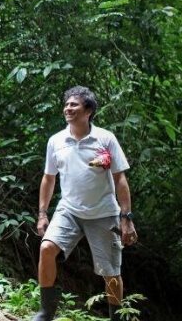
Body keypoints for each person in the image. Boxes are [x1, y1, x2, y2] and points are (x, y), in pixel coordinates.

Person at [33, 86, 138, 321]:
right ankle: (45, 312)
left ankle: (116, 318)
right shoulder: (56, 141)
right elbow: (49, 178)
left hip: (103, 213)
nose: (68, 108)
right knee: (47, 249)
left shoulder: (105, 138)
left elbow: (120, 179)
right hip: (69, 210)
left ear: (88, 110)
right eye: (66, 104)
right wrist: (42, 213)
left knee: (110, 273)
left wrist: (126, 218)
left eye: (74, 105)